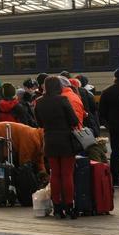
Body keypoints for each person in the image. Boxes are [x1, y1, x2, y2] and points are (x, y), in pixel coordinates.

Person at [35, 75, 79, 218]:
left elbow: (40, 123)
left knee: (54, 174)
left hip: (50, 140)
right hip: (66, 140)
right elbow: (73, 120)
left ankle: (57, 207)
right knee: (67, 174)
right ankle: (69, 206)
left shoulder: (39, 102)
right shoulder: (63, 100)